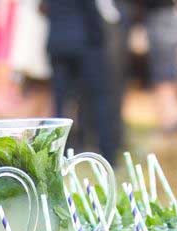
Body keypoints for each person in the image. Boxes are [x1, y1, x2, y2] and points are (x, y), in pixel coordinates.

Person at [100, 0, 177, 147]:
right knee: (112, 70)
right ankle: (112, 135)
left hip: (162, 9)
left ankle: (169, 129)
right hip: (140, 10)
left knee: (165, 76)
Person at [45, 0, 118, 163]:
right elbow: (91, 9)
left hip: (58, 41)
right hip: (87, 42)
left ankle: (60, 154)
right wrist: (100, 37)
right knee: (100, 99)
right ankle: (108, 153)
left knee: (60, 103)